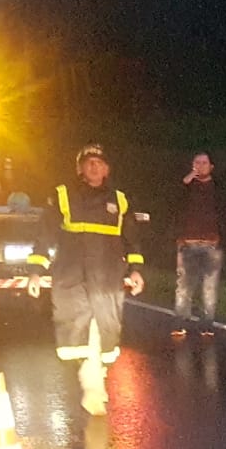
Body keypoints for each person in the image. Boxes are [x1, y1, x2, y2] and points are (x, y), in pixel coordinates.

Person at [27, 144, 145, 416]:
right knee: (78, 327)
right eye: (88, 162)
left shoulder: (120, 200)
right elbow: (45, 234)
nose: (94, 167)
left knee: (105, 328)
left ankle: (96, 379)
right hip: (72, 275)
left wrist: (136, 270)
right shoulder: (63, 195)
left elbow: (132, 239)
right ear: (80, 168)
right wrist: (36, 269)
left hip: (107, 277)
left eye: (99, 163)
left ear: (107, 169)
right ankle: (90, 384)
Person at [171, 151, 226, 338]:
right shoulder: (186, 186)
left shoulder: (219, 188)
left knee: (210, 287)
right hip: (187, 243)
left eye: (204, 162)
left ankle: (207, 323)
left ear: (211, 167)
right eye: (197, 162)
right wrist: (185, 182)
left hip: (212, 243)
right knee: (184, 285)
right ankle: (180, 322)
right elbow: (172, 203)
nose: (200, 165)